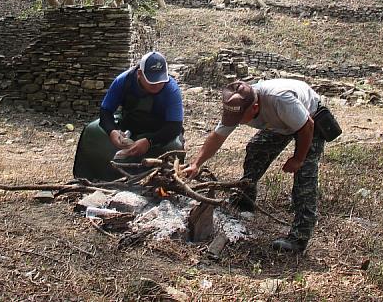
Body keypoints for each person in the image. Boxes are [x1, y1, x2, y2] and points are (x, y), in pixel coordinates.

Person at [183, 78, 328, 253]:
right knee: (256, 149)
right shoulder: (236, 105)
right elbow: (218, 136)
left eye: (239, 118)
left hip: (309, 120)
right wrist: (196, 164)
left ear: (255, 107)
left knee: (305, 176)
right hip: (279, 124)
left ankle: (299, 237)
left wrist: (298, 159)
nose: (236, 121)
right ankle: (245, 200)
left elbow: (307, 126)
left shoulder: (281, 99)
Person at [73, 51, 184, 181]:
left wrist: (149, 141)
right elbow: (106, 111)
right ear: (140, 74)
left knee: (175, 146)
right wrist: (112, 131)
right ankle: (91, 177)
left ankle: (159, 179)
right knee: (91, 131)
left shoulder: (172, 89)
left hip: (159, 132)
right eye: (151, 81)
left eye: (160, 81)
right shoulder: (123, 80)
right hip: (129, 124)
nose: (157, 85)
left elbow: (174, 127)